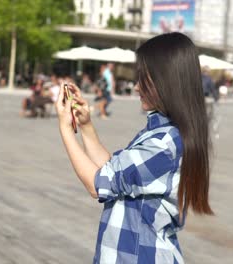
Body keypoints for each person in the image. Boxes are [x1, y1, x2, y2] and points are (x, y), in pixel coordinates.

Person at [55, 32, 213, 263]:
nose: (137, 87)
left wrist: (66, 130)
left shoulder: (164, 144)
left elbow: (98, 184)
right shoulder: (161, 132)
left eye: (144, 79)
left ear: (166, 82)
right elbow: (113, 171)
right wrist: (86, 126)